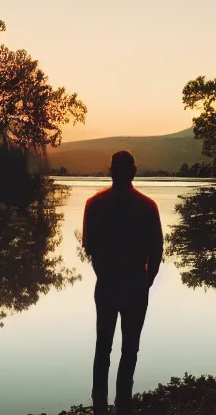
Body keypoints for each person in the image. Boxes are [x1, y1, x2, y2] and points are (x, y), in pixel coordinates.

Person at [82, 150, 163, 415]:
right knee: (130, 347)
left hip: (106, 284)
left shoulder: (94, 204)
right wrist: (147, 280)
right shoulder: (148, 206)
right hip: (136, 285)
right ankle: (123, 403)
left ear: (111, 171)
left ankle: (99, 403)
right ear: (134, 172)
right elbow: (157, 249)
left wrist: (103, 273)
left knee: (102, 344)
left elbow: (89, 246)